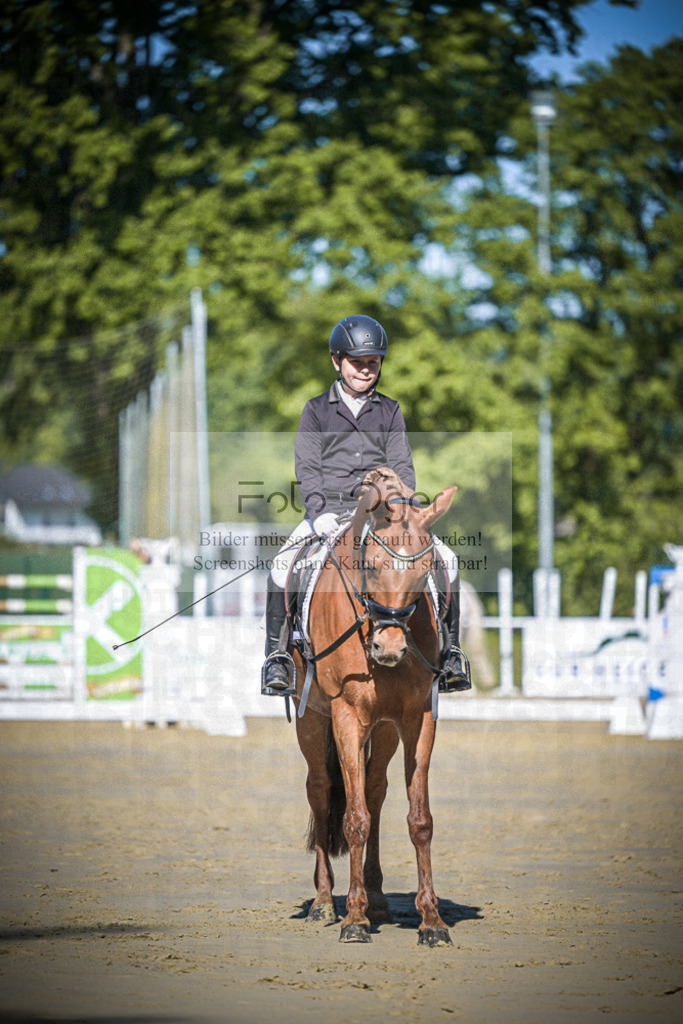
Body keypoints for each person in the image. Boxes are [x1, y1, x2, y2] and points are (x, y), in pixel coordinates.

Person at [261, 314, 470, 695]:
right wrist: (319, 511)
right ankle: (277, 658)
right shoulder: (316, 410)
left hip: (382, 513)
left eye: (372, 363)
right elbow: (307, 467)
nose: (365, 370)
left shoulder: (389, 410)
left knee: (448, 559)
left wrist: (397, 507)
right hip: (328, 512)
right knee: (280, 566)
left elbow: (402, 465)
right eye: (357, 363)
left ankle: (452, 651)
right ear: (336, 361)